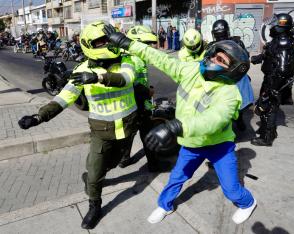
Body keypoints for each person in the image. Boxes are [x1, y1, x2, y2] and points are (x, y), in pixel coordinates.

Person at [101, 25, 257, 225]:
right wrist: (127, 43)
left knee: (231, 189)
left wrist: (175, 126)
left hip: (219, 147)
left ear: (231, 70)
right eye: (215, 55)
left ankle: (248, 202)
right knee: (177, 178)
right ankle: (164, 205)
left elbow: (213, 120)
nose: (212, 59)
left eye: (221, 60)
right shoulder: (192, 70)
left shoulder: (230, 93)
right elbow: (161, 58)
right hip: (191, 144)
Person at [18, 21, 138, 229]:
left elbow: (126, 79)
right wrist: (39, 117)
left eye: (108, 39)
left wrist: (96, 77)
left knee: (113, 164)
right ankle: (94, 206)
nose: (107, 44)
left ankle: (97, 175)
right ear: (89, 45)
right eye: (101, 41)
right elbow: (64, 98)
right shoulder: (81, 70)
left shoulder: (127, 60)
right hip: (101, 131)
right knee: (94, 171)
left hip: (126, 129)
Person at [119, 25, 165, 172]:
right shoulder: (134, 60)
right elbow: (132, 85)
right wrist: (148, 92)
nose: (148, 47)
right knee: (148, 133)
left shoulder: (133, 57)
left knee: (130, 132)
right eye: (145, 44)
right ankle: (154, 165)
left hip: (132, 104)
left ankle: (124, 159)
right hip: (139, 103)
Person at [250, 13, 294, 146]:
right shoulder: (280, 39)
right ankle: (266, 130)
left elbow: (283, 69)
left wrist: (273, 88)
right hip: (270, 79)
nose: (272, 27)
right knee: (265, 106)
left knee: (269, 108)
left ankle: (267, 138)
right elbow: (271, 54)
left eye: (275, 24)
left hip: (275, 81)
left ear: (281, 26)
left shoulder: (283, 42)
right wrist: (258, 58)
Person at [210, 19, 254, 131]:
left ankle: (239, 117)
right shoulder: (212, 46)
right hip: (220, 77)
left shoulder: (236, 43)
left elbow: (245, 58)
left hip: (233, 76)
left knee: (244, 79)